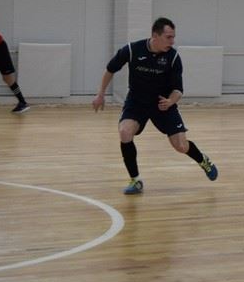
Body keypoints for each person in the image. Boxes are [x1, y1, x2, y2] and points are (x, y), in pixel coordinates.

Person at [92, 17, 218, 195]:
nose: (172, 41)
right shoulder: (132, 50)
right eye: (168, 37)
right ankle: (135, 180)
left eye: (173, 37)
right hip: (137, 102)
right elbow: (110, 69)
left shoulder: (173, 57)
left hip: (163, 103)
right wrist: (100, 94)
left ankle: (203, 160)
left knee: (180, 146)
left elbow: (178, 90)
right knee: (125, 132)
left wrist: (171, 101)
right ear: (155, 36)